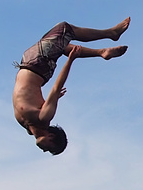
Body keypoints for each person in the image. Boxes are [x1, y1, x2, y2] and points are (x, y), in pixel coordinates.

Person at [12, 18, 130, 154]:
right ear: (51, 136)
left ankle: (102, 52)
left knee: (62, 46)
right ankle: (111, 34)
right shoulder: (44, 117)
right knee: (65, 29)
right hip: (39, 63)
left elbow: (34, 101)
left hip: (29, 62)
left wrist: (53, 99)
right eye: (49, 148)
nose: (44, 150)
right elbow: (57, 87)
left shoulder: (29, 128)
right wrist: (70, 61)